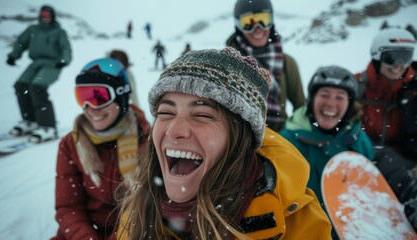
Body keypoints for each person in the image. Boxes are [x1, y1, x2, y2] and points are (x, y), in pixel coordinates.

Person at [116, 47, 332, 239]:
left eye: (202, 115)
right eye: (165, 112)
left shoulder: (296, 220)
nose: (174, 131)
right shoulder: (137, 216)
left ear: (240, 137)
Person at [52, 58, 150, 240]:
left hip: (135, 233)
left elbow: (154, 205)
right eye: (83, 97)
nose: (90, 108)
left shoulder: (148, 140)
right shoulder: (71, 143)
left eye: (99, 97)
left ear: (122, 95)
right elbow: (69, 208)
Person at [280, 65, 375, 239]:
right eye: (324, 95)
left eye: (340, 97)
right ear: (312, 99)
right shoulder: (287, 143)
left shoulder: (358, 139)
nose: (331, 103)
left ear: (349, 104)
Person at [354, 25, 417, 230]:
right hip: (362, 156)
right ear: (377, 56)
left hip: (407, 161)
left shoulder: (413, 91)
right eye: (392, 57)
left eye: (405, 57)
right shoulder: (357, 86)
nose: (399, 65)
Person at [226, 0, 305, 132]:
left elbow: (300, 108)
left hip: (278, 136)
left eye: (264, 20)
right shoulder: (228, 61)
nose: (257, 29)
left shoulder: (286, 62)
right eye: (248, 23)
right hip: (239, 136)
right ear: (238, 26)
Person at [6, 5, 72, 143]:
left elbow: (66, 48)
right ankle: (30, 121)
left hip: (52, 64)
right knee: (20, 86)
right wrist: (14, 55)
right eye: (43, 15)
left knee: (37, 88)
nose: (46, 17)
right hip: (36, 63)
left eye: (48, 15)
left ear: (53, 16)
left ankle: (48, 127)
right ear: (40, 16)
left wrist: (64, 60)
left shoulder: (59, 32)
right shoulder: (33, 30)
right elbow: (20, 43)